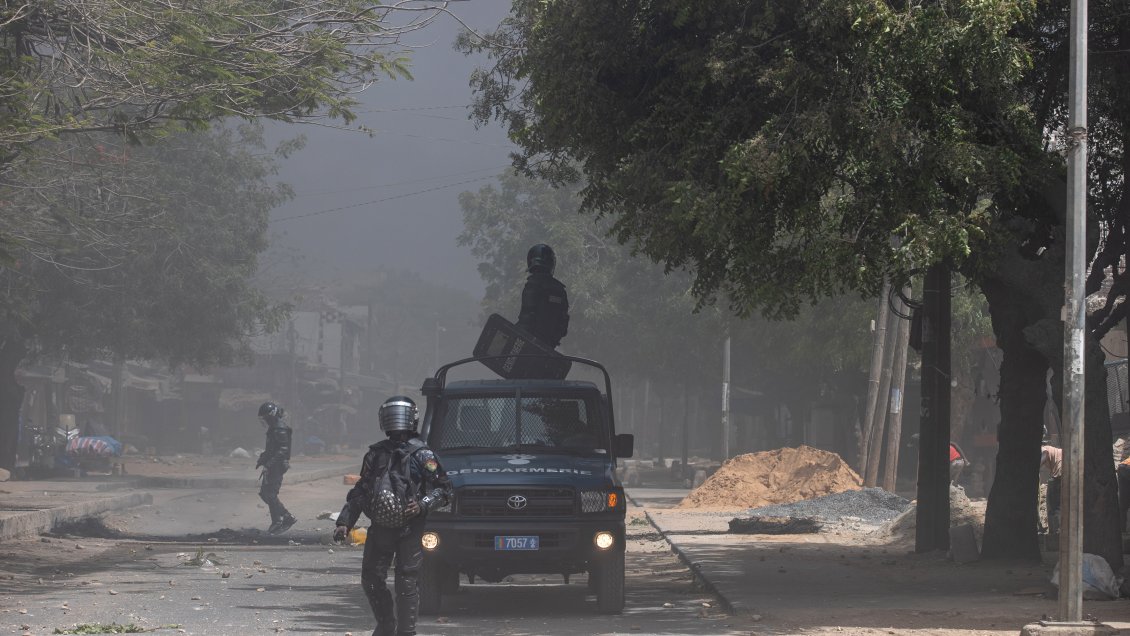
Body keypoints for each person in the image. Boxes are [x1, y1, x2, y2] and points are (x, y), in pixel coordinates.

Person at [334, 396, 452, 636]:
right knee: (371, 580)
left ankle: (406, 633)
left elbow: (444, 489)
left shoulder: (422, 454)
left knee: (406, 581)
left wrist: (421, 505)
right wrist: (345, 522)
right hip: (380, 528)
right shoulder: (375, 454)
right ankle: (386, 625)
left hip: (410, 528)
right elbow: (361, 491)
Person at [516, 243, 570, 349]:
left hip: (526, 348)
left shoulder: (533, 285)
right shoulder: (560, 290)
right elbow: (563, 325)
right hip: (547, 351)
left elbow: (526, 319)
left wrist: (514, 336)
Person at [256, 401, 296, 535]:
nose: (265, 420)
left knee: (270, 494)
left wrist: (269, 464)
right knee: (265, 493)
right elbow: (272, 449)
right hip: (273, 465)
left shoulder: (280, 429)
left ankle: (285, 518)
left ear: (271, 415)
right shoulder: (274, 428)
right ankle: (278, 519)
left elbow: (282, 450)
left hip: (277, 466)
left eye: (266, 417)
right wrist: (263, 458)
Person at [1041, 444, 1063, 536]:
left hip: (1059, 476)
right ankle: (1058, 530)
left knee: (1052, 506)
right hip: (1066, 476)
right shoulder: (1056, 451)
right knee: (1059, 505)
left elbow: (1044, 453)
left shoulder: (1043, 448)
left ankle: (1055, 532)